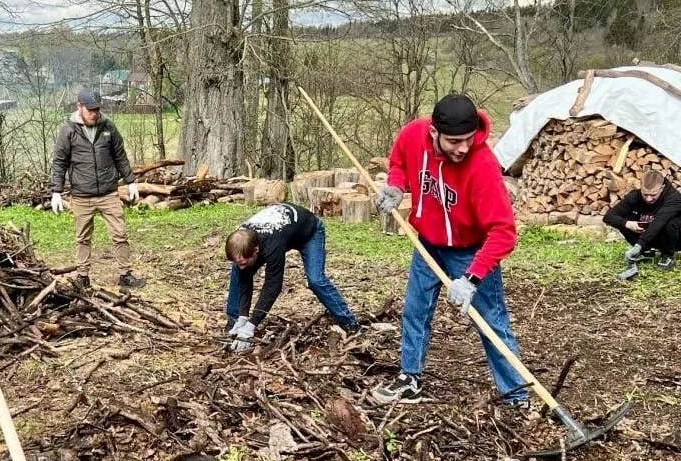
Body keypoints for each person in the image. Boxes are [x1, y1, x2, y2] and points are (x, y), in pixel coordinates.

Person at [370, 93, 528, 407]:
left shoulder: (483, 166)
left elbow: (503, 232)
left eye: (469, 139)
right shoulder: (413, 134)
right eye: (455, 141)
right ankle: (409, 378)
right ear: (434, 132)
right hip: (428, 242)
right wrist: (396, 185)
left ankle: (516, 395)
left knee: (491, 322)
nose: (463, 148)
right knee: (415, 311)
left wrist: (472, 278)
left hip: (470, 250)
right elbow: (399, 160)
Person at [224, 203, 359, 351]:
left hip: (309, 232)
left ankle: (349, 322)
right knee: (238, 272)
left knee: (316, 280)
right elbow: (244, 279)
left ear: (256, 250)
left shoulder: (272, 244)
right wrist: (243, 316)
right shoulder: (240, 239)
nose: (241, 266)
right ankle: (235, 323)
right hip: (285, 232)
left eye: (243, 262)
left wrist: (252, 325)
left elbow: (272, 286)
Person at [50, 89, 146, 289]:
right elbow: (59, 162)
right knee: (82, 238)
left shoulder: (108, 127)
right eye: (90, 109)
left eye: (97, 109)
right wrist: (56, 191)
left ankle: (125, 274)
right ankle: (82, 276)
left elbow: (120, 155)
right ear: (80, 106)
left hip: (108, 193)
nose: (94, 113)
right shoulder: (68, 131)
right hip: (81, 195)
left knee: (120, 234)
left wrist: (130, 181)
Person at [602, 169, 681, 278]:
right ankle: (646, 251)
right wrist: (627, 223)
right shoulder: (635, 196)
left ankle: (668, 255)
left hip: (676, 238)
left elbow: (659, 221)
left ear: (662, 188)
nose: (648, 199)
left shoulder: (674, 198)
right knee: (624, 219)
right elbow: (609, 216)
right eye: (645, 194)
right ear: (641, 187)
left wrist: (638, 245)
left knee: (671, 222)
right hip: (650, 235)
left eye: (653, 194)